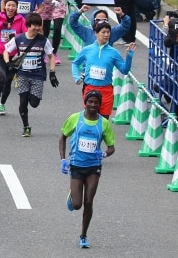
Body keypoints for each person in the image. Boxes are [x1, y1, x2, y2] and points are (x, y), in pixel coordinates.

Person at [59, 89, 116, 249]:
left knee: (89, 201)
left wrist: (104, 154)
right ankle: (73, 194)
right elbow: (63, 136)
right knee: (77, 205)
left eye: (96, 102)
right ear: (85, 102)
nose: (92, 105)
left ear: (99, 105)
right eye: (90, 101)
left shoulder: (104, 124)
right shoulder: (75, 118)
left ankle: (83, 236)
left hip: (93, 168)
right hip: (76, 165)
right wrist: (63, 159)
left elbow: (112, 147)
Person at [2, 13, 58, 136]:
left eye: (39, 25)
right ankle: (26, 126)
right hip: (22, 74)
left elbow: (51, 56)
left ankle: (28, 96)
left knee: (34, 103)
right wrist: (8, 63)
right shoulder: (18, 39)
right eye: (35, 25)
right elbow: (6, 51)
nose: (37, 28)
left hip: (38, 75)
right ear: (28, 25)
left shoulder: (43, 40)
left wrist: (52, 72)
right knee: (23, 102)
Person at [72, 23, 134, 117]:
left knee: (104, 119)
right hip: (89, 89)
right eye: (103, 32)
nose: (106, 35)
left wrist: (129, 57)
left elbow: (124, 70)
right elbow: (75, 63)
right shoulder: (87, 49)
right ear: (96, 33)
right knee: (89, 118)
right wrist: (76, 77)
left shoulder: (114, 52)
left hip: (106, 91)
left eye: (108, 32)